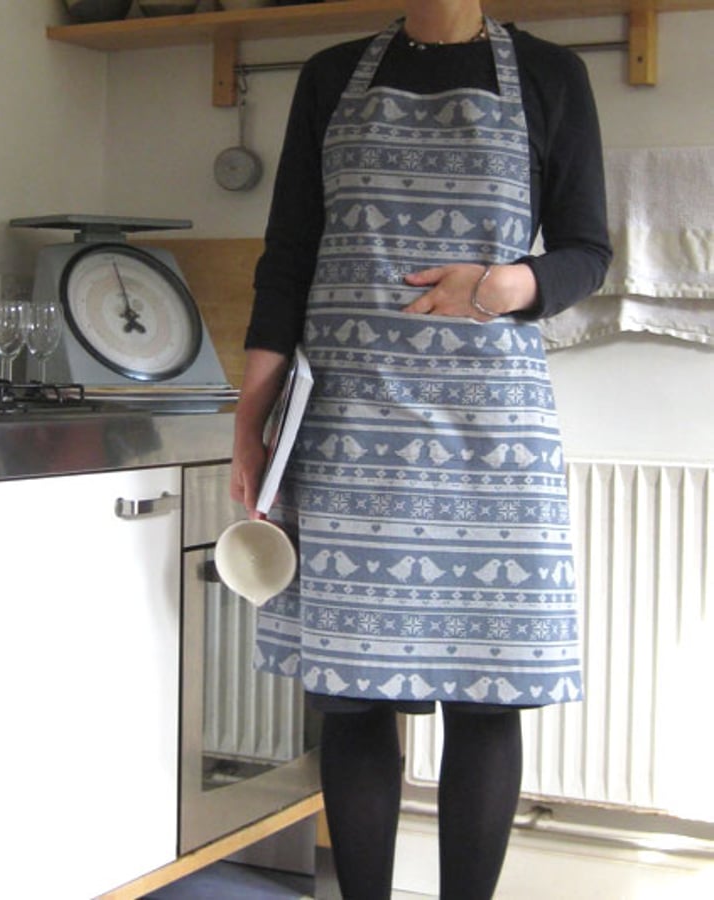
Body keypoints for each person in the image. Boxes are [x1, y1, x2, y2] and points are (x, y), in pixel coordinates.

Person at [230, 1, 612, 898]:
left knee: (488, 694)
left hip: (490, 432)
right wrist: (250, 416)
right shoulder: (331, 76)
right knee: (350, 693)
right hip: (347, 421)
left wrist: (504, 284)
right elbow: (289, 253)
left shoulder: (554, 75)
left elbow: (588, 251)